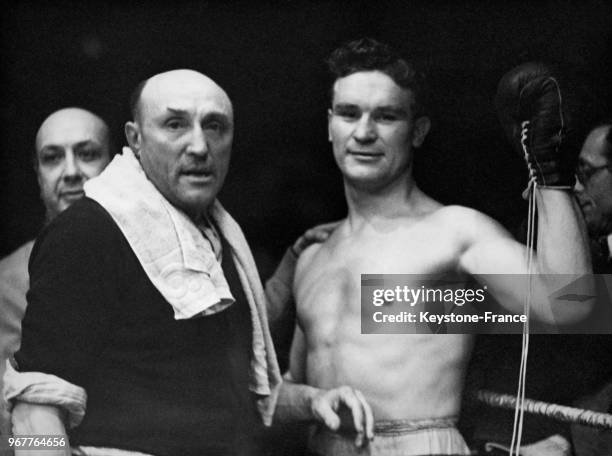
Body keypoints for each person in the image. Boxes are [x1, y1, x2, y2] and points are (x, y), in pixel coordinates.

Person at [4, 69, 365, 456]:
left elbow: (227, 403)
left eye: (214, 126)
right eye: (175, 124)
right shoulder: (85, 233)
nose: (199, 145)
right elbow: (32, 413)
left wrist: (312, 402)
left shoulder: (219, 239)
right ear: (135, 139)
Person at [274, 39, 593, 456]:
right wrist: (309, 402)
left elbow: (568, 304)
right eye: (350, 114)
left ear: (418, 130)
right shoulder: (314, 255)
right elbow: (278, 395)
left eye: (386, 116)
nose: (364, 132)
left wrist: (550, 175)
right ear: (329, 124)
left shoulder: (453, 230)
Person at [0, 107, 112, 437]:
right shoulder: (9, 282)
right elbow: (12, 422)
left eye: (88, 154)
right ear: (38, 175)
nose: (72, 171)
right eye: (53, 158)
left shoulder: (152, 261)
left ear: (116, 164)